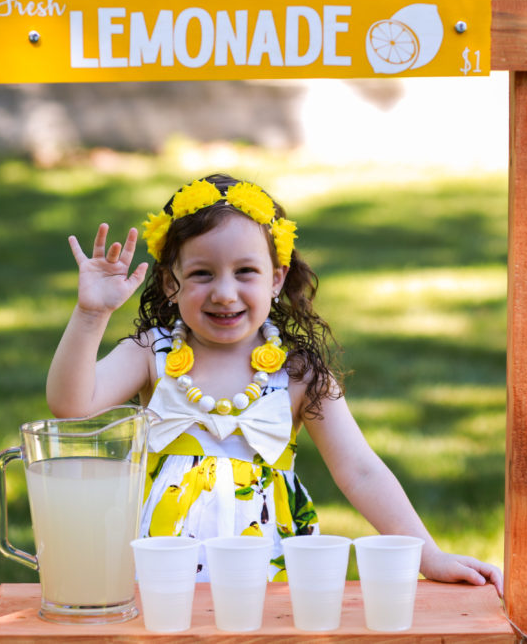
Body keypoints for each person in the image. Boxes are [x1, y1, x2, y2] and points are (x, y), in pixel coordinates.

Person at [46, 173, 503, 594]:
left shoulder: (298, 373)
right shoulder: (152, 353)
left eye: (245, 272)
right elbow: (71, 405)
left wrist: (431, 556)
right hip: (162, 566)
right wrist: (92, 314)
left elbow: (360, 470)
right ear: (170, 283)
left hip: (269, 564)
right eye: (202, 273)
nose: (224, 292)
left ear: (276, 279)